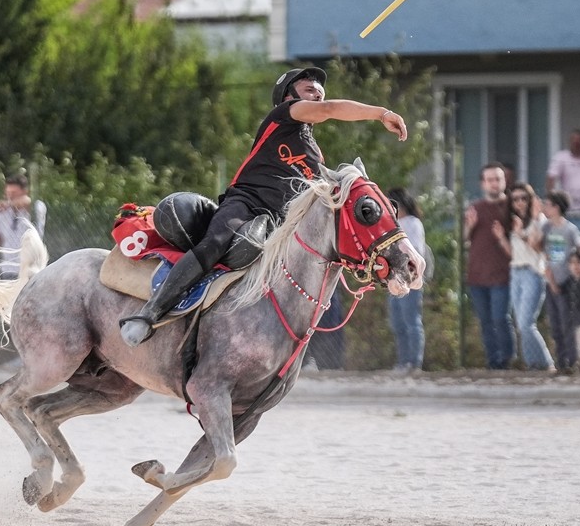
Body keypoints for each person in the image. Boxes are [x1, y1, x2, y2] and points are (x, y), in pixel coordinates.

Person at [119, 66, 409, 347]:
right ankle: (149, 313)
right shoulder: (283, 117)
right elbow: (330, 109)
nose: (318, 95)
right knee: (215, 244)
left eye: (320, 91)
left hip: (276, 223)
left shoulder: (314, 154)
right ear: (287, 97)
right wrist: (380, 113)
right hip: (246, 203)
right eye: (309, 90)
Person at [465, 163, 515, 369]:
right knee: (485, 321)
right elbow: (463, 240)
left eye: (498, 179)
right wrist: (469, 226)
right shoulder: (475, 208)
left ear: (504, 181)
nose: (494, 183)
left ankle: (508, 359)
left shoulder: (512, 206)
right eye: (490, 179)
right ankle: (493, 362)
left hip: (502, 275)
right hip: (477, 276)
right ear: (483, 183)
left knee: (500, 318)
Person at [507, 182, 554, 371]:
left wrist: (521, 233)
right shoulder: (512, 221)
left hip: (532, 273)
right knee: (520, 324)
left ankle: (547, 363)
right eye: (515, 199)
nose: (519, 202)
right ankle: (532, 364)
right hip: (515, 272)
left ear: (530, 199)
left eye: (523, 198)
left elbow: (538, 247)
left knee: (527, 323)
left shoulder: (539, 220)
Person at [541, 190, 580, 372]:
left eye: (548, 205)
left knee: (567, 321)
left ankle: (571, 360)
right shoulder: (546, 228)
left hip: (566, 280)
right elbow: (539, 247)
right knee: (555, 323)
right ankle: (561, 361)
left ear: (557, 207)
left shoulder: (569, 229)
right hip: (551, 278)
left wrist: (574, 269)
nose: (545, 208)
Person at [386, 187, 426, 372]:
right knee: (398, 323)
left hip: (409, 278)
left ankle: (414, 362)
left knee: (411, 322)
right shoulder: (390, 224)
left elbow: (415, 249)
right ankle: (403, 361)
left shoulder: (412, 223)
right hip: (393, 278)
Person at [0, 173, 47, 280]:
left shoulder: (36, 207)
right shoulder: (2, 215)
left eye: (14, 193)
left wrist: (7, 204)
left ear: (25, 191)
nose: (10, 196)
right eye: (8, 193)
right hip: (7, 270)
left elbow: (26, 201)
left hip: (31, 269)